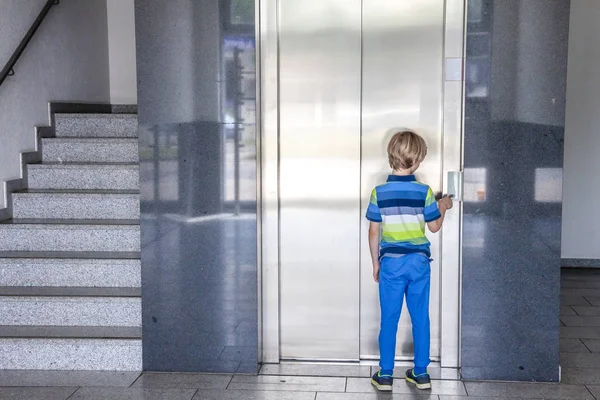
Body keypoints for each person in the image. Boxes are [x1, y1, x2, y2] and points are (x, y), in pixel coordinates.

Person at [366, 130, 453, 391]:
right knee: (420, 317)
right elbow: (434, 227)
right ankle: (421, 373)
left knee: (389, 318)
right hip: (418, 263)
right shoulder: (424, 192)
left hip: (391, 263)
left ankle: (385, 375)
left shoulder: (379, 192)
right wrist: (444, 207)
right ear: (416, 161)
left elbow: (373, 231)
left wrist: (376, 263)